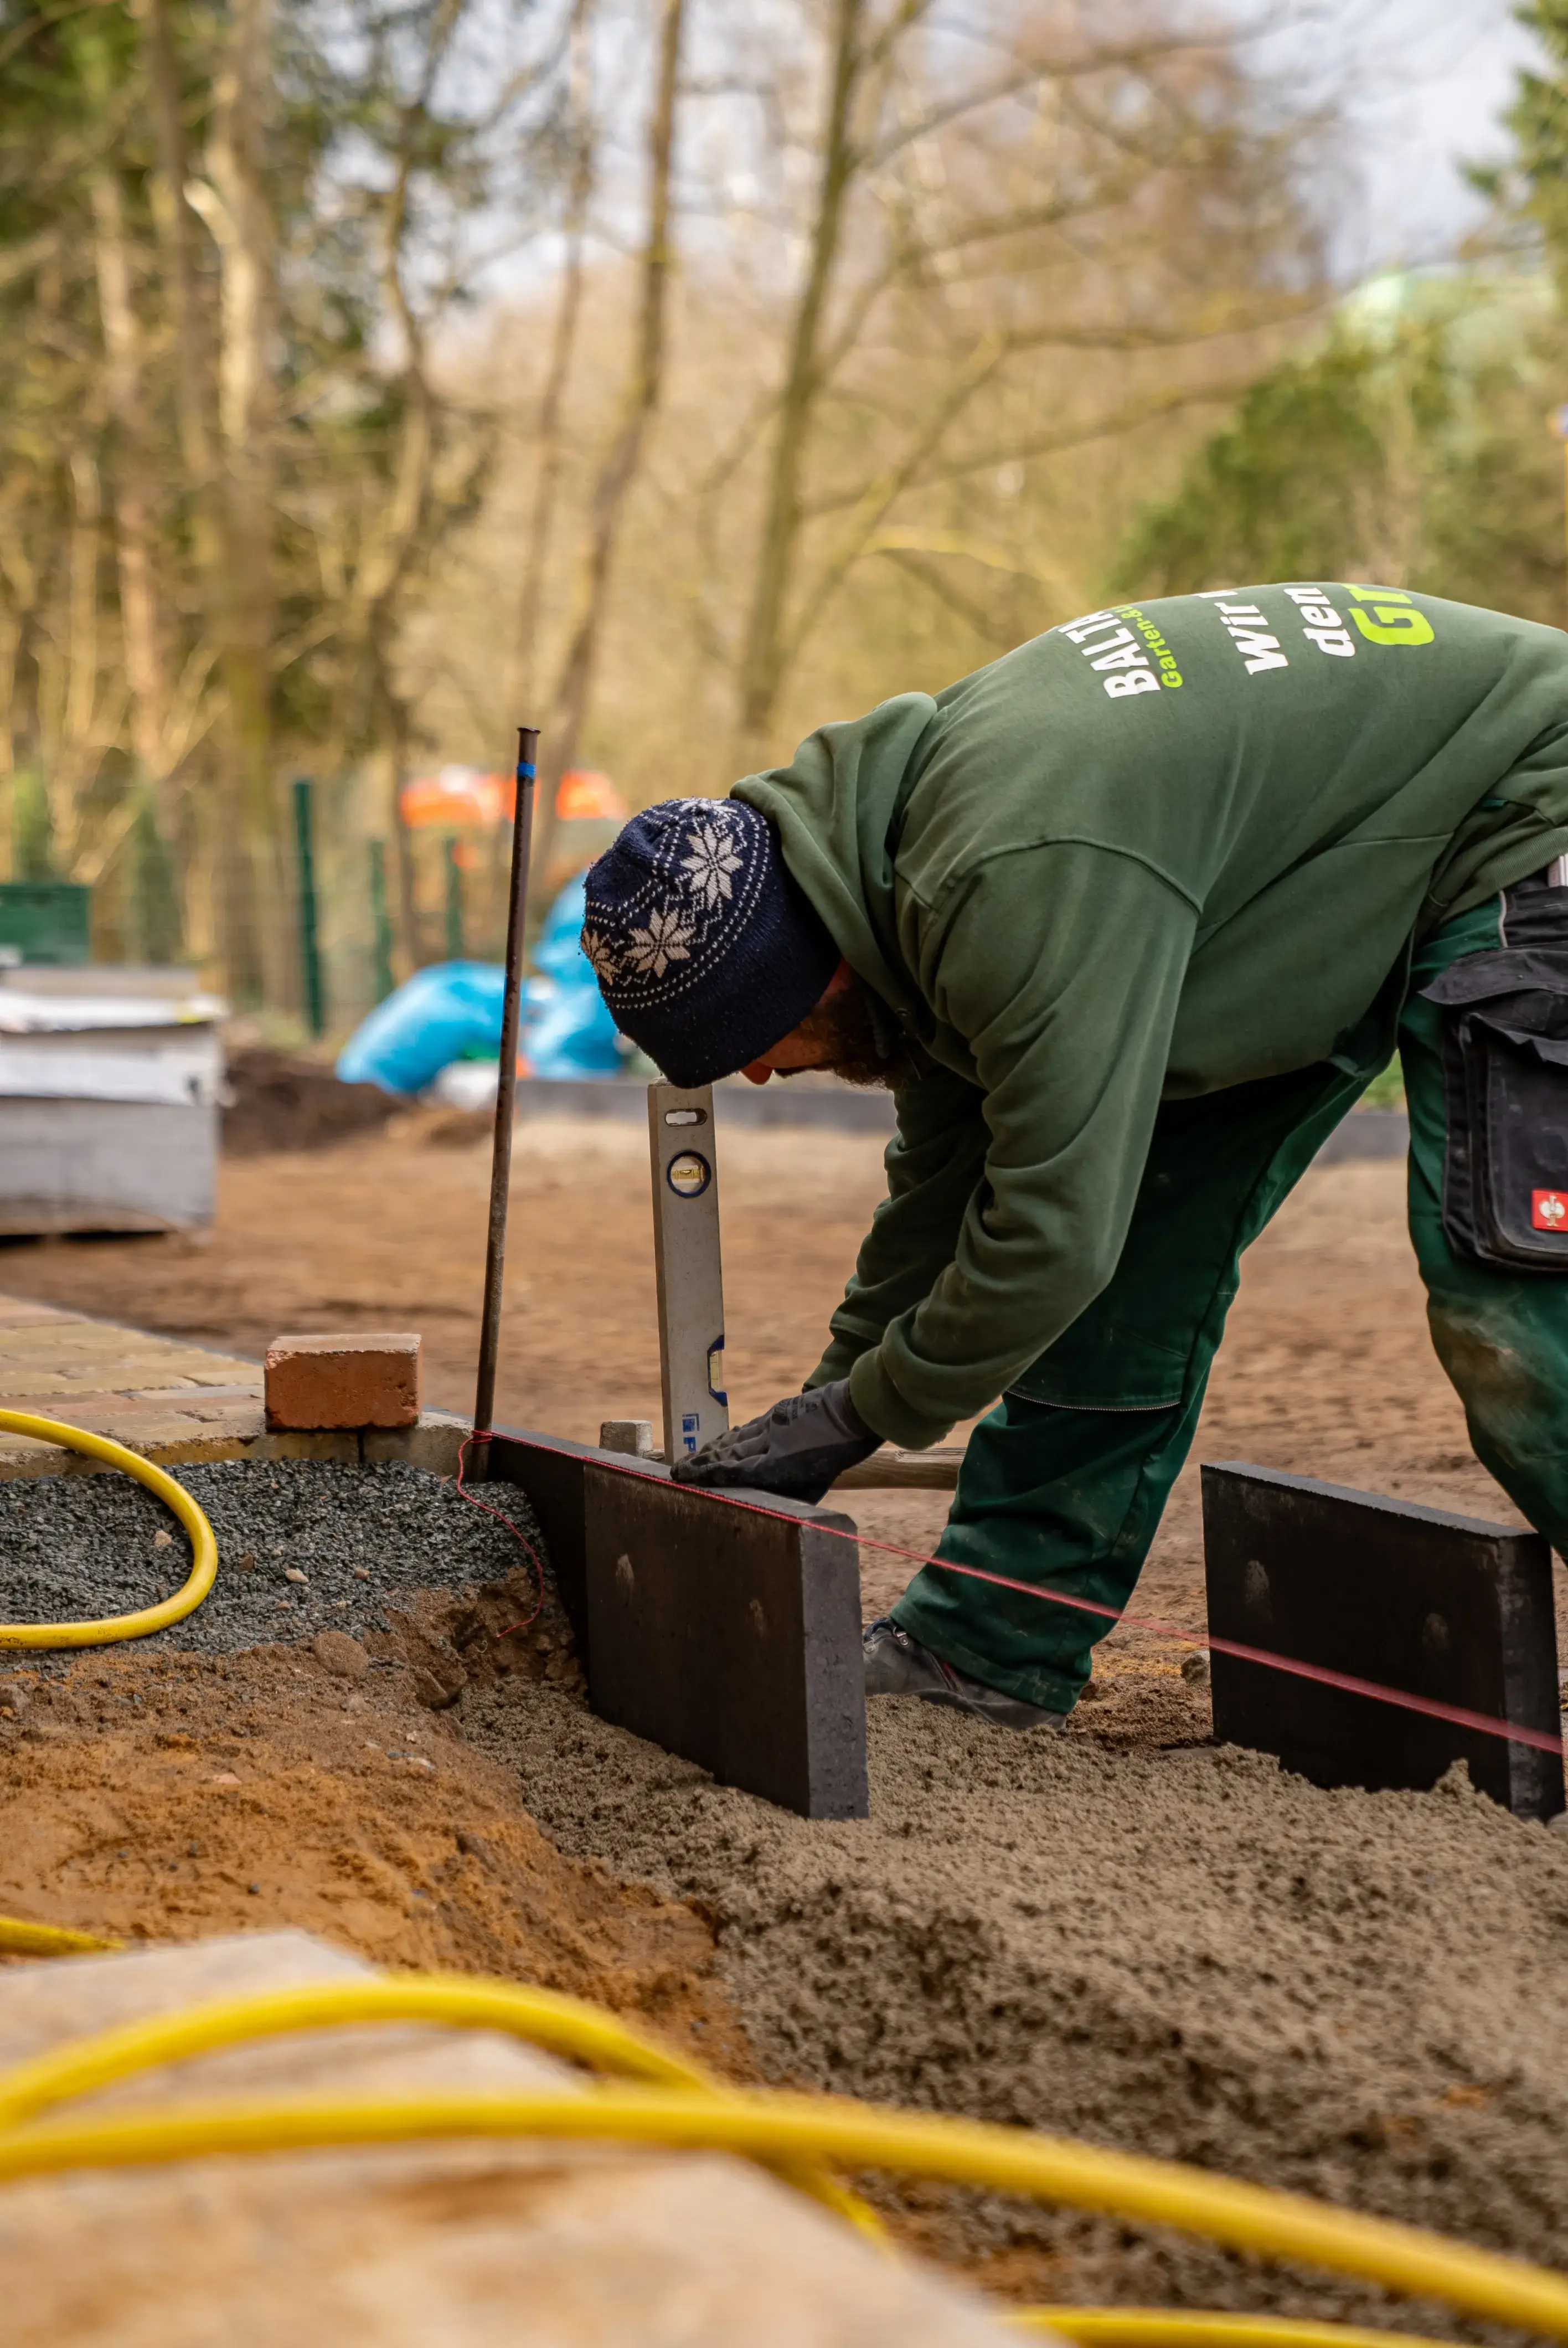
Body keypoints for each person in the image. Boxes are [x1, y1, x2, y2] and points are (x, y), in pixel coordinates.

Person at [581, 584, 1568, 1731]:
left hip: (1522, 804)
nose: (755, 1077)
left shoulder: (1006, 877)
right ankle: (991, 1646)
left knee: (1518, 1318)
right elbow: (944, 1191)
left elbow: (1051, 1238)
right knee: (1130, 1263)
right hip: (1305, 893)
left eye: (751, 1045)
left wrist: (865, 1412)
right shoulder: (888, 882)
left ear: (811, 975)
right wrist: (821, 1405)